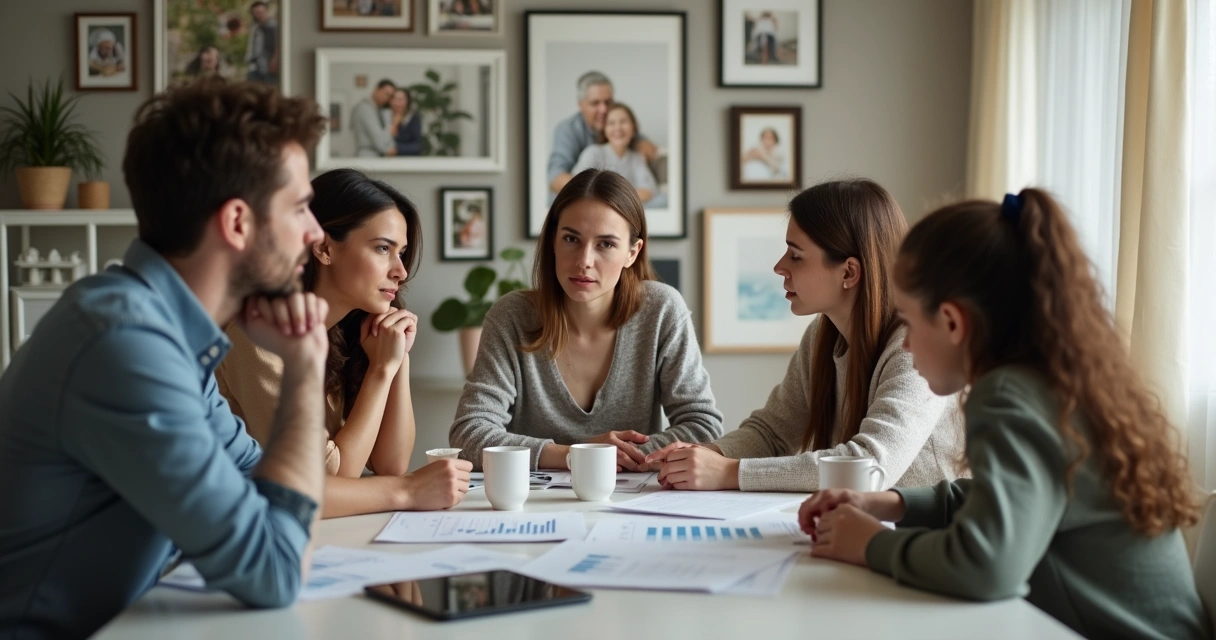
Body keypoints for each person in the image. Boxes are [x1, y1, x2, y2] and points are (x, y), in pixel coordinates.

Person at [0, 78, 330, 637]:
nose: (315, 233)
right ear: (237, 223)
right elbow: (274, 571)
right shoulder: (124, 342)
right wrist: (303, 370)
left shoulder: (166, 332)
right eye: (299, 207)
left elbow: (254, 485)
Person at [800, 190, 1209, 640]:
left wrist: (871, 544)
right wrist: (890, 502)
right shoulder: (1051, 381)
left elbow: (986, 566)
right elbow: (1002, 499)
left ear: (953, 322)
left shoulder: (1006, 396)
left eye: (910, 323)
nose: (908, 345)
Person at [645, 179, 963, 491]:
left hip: (925, 533)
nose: (779, 267)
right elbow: (771, 431)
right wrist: (709, 455)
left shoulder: (913, 347)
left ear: (849, 272)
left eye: (795, 256)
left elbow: (868, 464)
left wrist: (731, 472)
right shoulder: (822, 336)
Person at [216, 168, 471, 518]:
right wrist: (381, 370)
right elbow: (328, 481)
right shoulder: (258, 336)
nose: (400, 270)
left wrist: (396, 358)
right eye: (383, 248)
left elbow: (391, 463)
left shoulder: (343, 331)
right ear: (323, 248)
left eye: (402, 253)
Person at [450, 169, 723, 471]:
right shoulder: (512, 316)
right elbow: (468, 435)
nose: (584, 261)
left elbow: (703, 426)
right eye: (571, 239)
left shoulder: (661, 310)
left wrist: (615, 456)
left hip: (632, 502)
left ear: (632, 253)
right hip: (532, 505)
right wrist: (578, 455)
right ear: (553, 241)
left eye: (605, 244)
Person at [546, 71, 657, 196]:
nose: (603, 110)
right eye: (595, 103)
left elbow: (645, 148)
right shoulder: (568, 130)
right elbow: (556, 175)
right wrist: (596, 194)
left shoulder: (626, 137)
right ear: (581, 105)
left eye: (608, 102)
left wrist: (642, 143)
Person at [571, 103, 658, 205]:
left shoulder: (636, 158)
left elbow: (648, 191)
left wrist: (617, 200)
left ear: (634, 128)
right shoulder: (593, 153)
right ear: (605, 130)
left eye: (623, 122)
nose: (618, 128)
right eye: (611, 123)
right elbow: (580, 188)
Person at [352, 79, 398, 158]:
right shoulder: (365, 108)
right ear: (376, 90)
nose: (387, 98)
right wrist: (390, 130)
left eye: (390, 96)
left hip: (374, 157)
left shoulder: (377, 110)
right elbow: (379, 142)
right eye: (386, 94)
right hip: (367, 156)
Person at [246, 1, 279, 85]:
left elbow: (278, 44)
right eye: (257, 13)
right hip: (256, 65)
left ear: (266, 11)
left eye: (262, 12)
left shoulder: (273, 26)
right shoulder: (256, 27)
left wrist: (274, 60)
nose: (260, 15)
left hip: (269, 65)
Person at [388, 88, 423, 156]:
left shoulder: (413, 118)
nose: (397, 103)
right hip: (383, 160)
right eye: (394, 99)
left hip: (408, 160)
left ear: (407, 101)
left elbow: (417, 146)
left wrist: (396, 149)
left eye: (401, 100)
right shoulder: (385, 116)